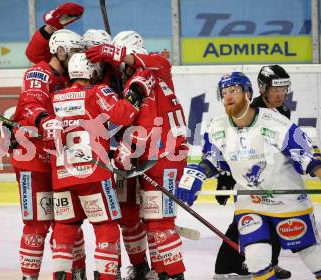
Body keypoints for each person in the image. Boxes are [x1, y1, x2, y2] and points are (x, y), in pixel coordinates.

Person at [176, 72, 321, 280]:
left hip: (287, 201)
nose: (228, 96)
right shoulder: (215, 127)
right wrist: (195, 176)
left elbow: (305, 155)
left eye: (234, 91)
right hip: (250, 201)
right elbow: (212, 160)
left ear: (248, 94)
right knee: (257, 260)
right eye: (224, 93)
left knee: (316, 260)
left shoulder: (275, 122)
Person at [86, 32, 189, 280]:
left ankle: (173, 275)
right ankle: (162, 272)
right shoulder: (153, 75)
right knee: (153, 221)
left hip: (161, 156)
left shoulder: (145, 75)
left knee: (159, 223)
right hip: (166, 154)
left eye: (122, 59)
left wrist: (120, 159)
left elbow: (140, 132)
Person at [47, 52, 154, 280]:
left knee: (65, 227)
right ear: (91, 71)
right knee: (106, 226)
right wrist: (136, 93)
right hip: (93, 173)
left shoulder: (56, 97)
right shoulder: (97, 91)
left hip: (62, 174)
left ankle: (60, 276)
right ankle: (106, 277)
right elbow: (123, 115)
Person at [10, 3, 84, 279]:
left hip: (60, 160)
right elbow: (31, 105)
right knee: (38, 224)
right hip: (33, 160)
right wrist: (45, 121)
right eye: (74, 53)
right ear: (61, 51)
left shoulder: (69, 78)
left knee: (69, 221)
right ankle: (29, 277)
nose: (79, 60)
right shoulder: (39, 72)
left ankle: (72, 273)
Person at [213, 65, 293, 279]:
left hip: (271, 177)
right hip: (250, 178)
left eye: (283, 89)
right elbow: (231, 143)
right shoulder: (251, 109)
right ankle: (227, 266)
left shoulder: (283, 110)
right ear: (262, 89)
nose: (280, 94)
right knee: (245, 220)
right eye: (275, 89)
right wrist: (225, 175)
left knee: (273, 219)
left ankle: (268, 264)